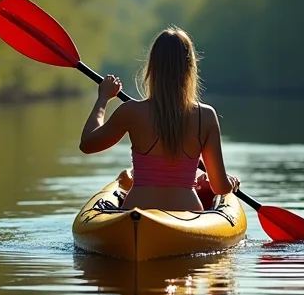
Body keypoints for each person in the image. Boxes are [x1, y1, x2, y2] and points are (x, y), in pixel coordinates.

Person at [79, 27, 240, 212]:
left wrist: (103, 98)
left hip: (137, 210)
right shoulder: (206, 116)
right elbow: (220, 188)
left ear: (152, 68)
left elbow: (88, 144)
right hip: (187, 214)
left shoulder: (132, 111)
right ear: (190, 68)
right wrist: (231, 183)